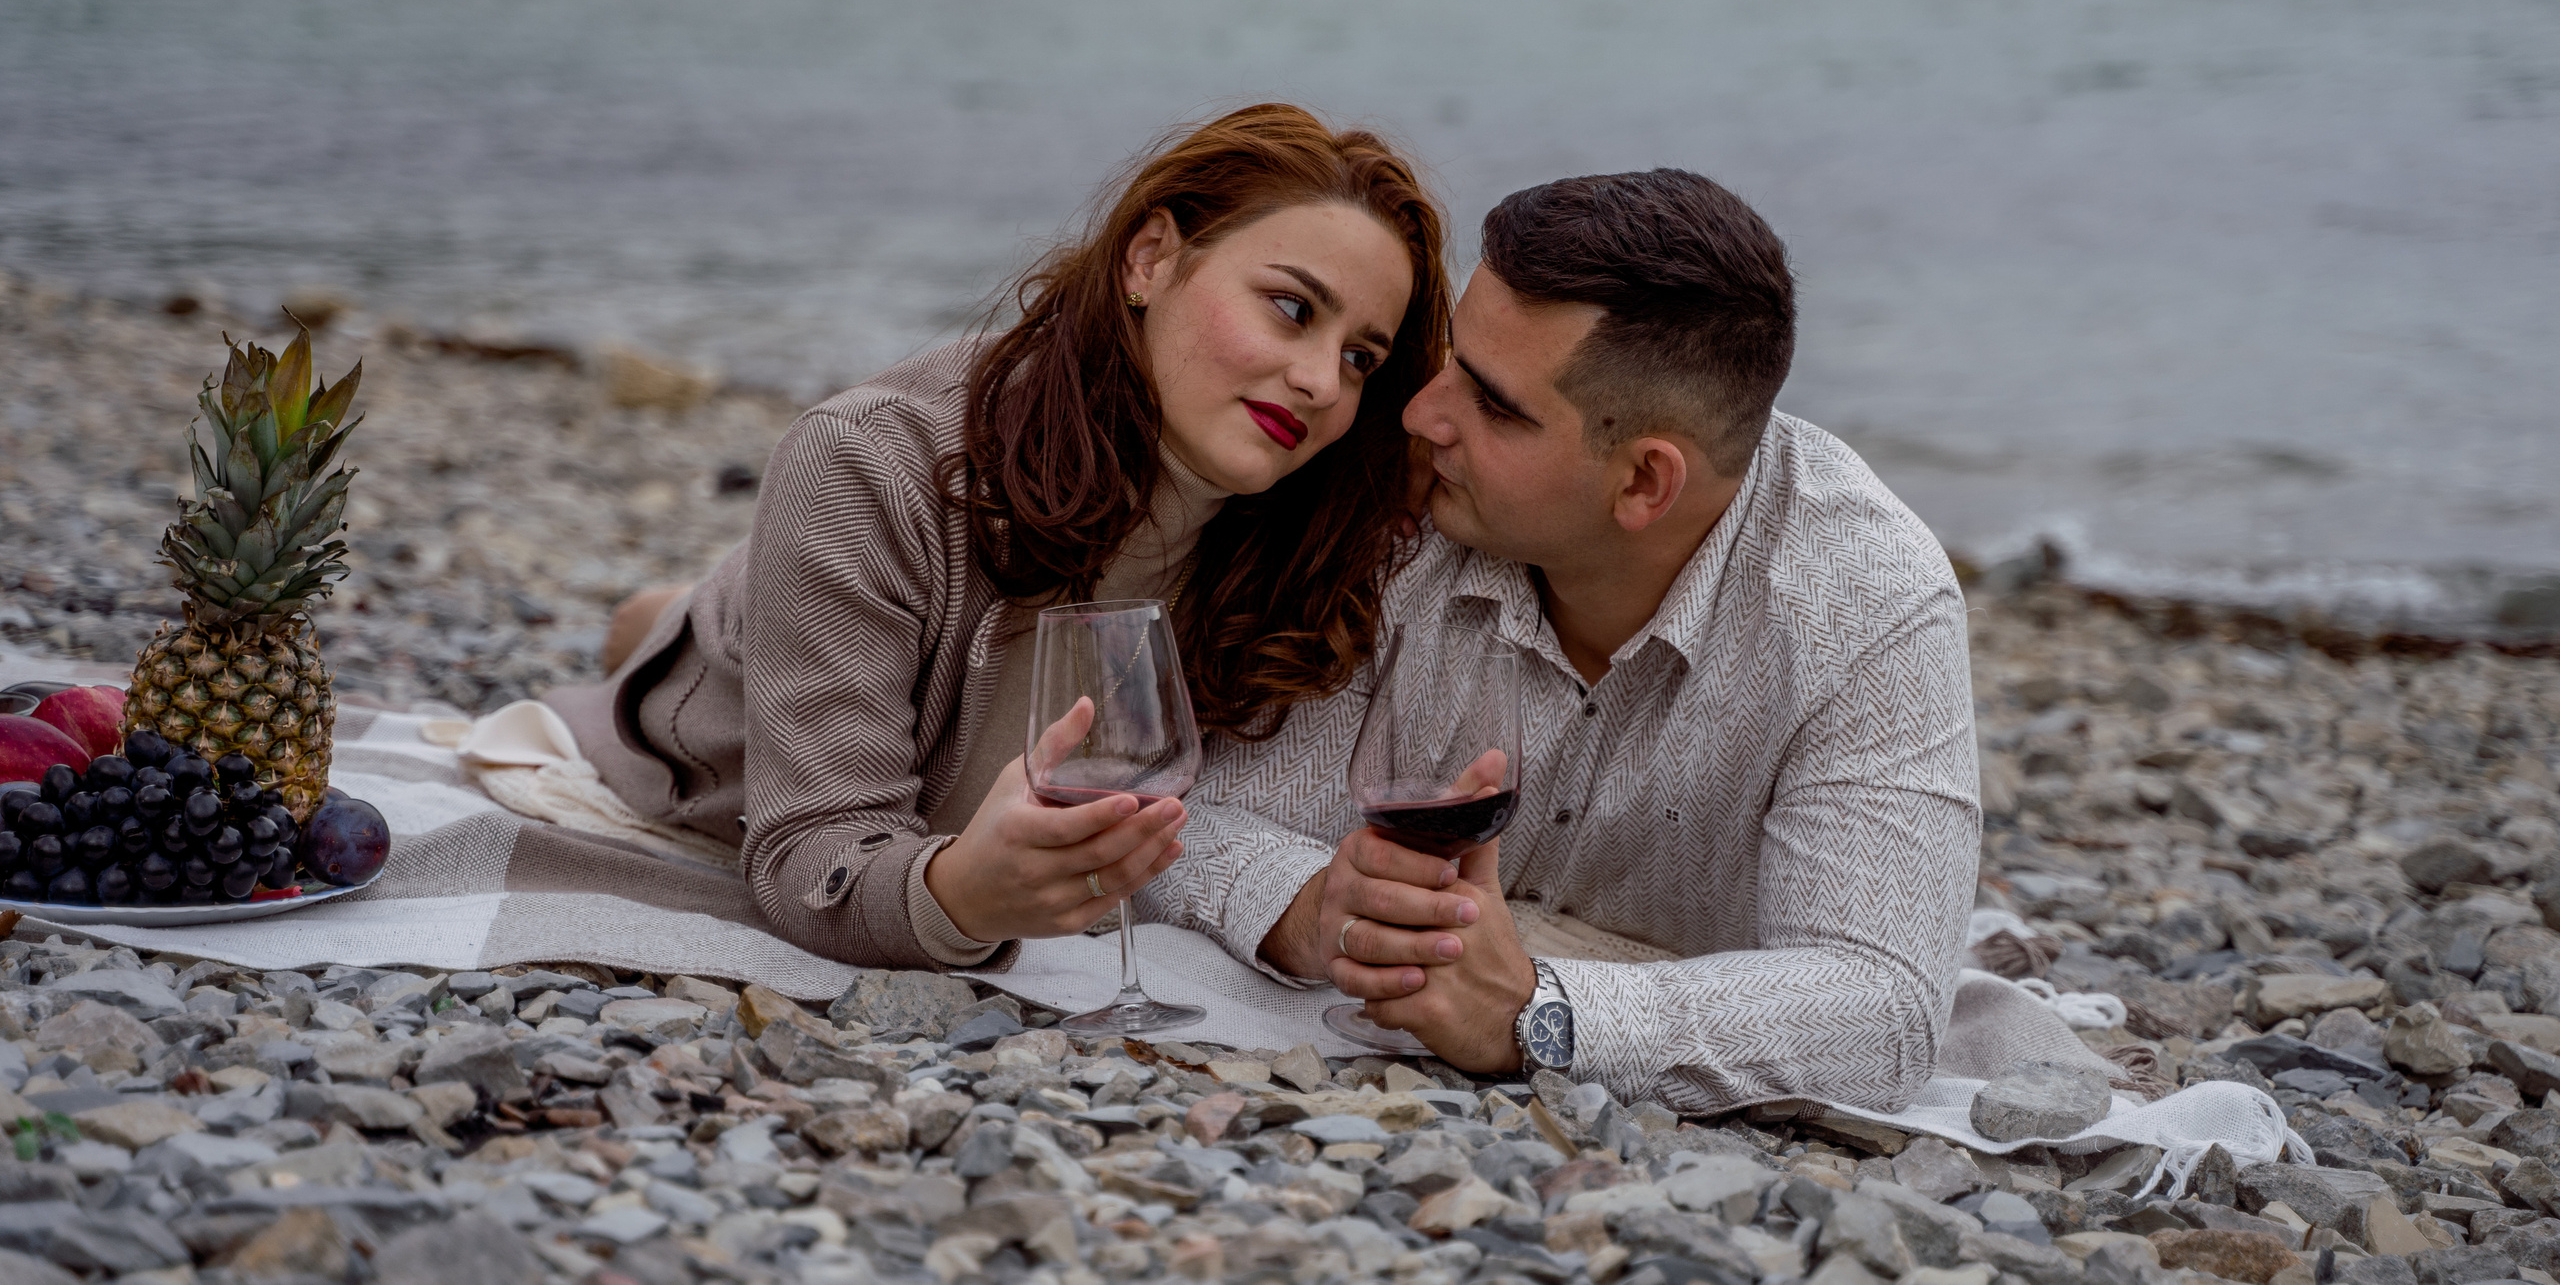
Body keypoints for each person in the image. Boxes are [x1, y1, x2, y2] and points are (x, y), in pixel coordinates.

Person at [1142, 169, 1978, 1114]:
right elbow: (1186, 807)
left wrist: (1540, 1013)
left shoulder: (1866, 599)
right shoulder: (1404, 506)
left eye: (1494, 405)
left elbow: (1883, 1013)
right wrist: (1309, 911)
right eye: (1452, 357)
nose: (1422, 414)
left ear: (1644, 484)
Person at [552, 104, 1450, 971]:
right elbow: (807, 856)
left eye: (1360, 357)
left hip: (864, 615)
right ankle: (667, 626)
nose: (1322, 383)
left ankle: (672, 610)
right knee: (694, 636)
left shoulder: (1289, 519)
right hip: (698, 718)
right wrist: (961, 898)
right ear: (1150, 258)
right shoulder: (866, 460)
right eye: (1292, 308)